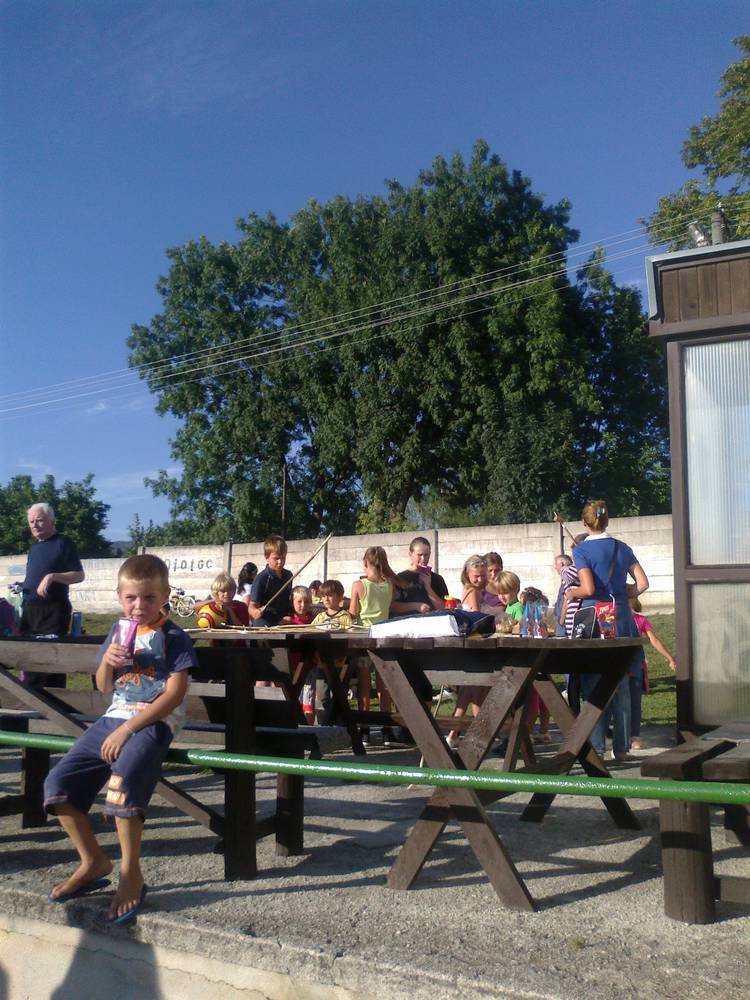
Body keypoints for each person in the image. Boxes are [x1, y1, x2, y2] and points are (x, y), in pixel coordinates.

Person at [43, 554, 196, 924]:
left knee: (123, 782)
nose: (138, 606)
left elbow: (175, 694)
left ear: (165, 596)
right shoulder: (118, 631)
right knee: (58, 784)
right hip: (114, 717)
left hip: (154, 721)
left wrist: (128, 730)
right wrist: (107, 663)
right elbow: (103, 687)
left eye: (148, 597)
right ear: (119, 596)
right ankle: (93, 861)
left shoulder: (173, 637)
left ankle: (131, 874)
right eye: (131, 598)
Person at [564, 500, 649, 762]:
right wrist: (623, 593)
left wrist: (572, 593)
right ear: (607, 520)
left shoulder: (581, 550)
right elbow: (643, 584)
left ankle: (598, 748)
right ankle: (621, 748)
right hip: (621, 618)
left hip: (595, 620)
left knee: (592, 685)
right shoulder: (623, 548)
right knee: (621, 683)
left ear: (585, 523)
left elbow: (588, 589)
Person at [349, 547, 398, 746]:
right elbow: (389, 607)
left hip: (365, 638)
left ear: (365, 563)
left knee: (364, 685)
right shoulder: (389, 584)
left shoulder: (359, 585)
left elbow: (353, 612)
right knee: (383, 685)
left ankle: (365, 729)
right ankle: (387, 730)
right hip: (383, 638)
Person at [21, 503, 85, 637]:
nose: (34, 525)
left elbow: (79, 575)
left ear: (52, 521)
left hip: (53, 612)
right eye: (31, 522)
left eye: (39, 520)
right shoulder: (34, 548)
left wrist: (52, 577)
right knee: (24, 648)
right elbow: (35, 578)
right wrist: (22, 585)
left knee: (49, 649)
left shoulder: (63, 542)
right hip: (29, 611)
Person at [628, 596, 676, 750]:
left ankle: (634, 736)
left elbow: (654, 641)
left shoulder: (640, 620)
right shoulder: (611, 618)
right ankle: (620, 736)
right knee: (619, 704)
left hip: (636, 666)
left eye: (628, 598)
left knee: (635, 703)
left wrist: (670, 658)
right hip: (619, 666)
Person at [391, 536, 448, 615]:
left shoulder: (437, 579)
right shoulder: (400, 578)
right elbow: (392, 607)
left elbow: (445, 608)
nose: (423, 559)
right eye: (419, 555)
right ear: (411, 555)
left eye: (426, 555)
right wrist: (415, 606)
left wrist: (428, 588)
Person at [247, 535, 293, 627]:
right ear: (267, 557)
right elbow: (251, 606)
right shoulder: (261, 579)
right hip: (265, 624)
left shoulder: (288, 575)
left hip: (283, 622)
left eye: (283, 557)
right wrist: (255, 612)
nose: (280, 562)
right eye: (276, 558)